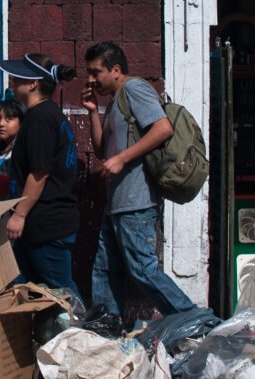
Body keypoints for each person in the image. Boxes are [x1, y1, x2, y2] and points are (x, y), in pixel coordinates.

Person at [82, 41, 196, 317]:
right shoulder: (114, 101)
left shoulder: (134, 88)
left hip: (136, 200)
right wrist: (93, 111)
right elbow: (102, 150)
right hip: (117, 202)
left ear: (116, 70)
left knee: (143, 270)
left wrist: (122, 159)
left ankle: (193, 318)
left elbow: (163, 128)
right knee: (105, 269)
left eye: (96, 72)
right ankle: (107, 325)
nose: (91, 79)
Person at [0, 52, 80, 298]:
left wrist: (19, 215)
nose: (12, 81)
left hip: (46, 225)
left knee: (62, 295)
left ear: (33, 83)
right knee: (24, 290)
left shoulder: (41, 119)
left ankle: (83, 324)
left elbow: (39, 173)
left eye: (17, 78)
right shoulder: (43, 115)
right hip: (38, 226)